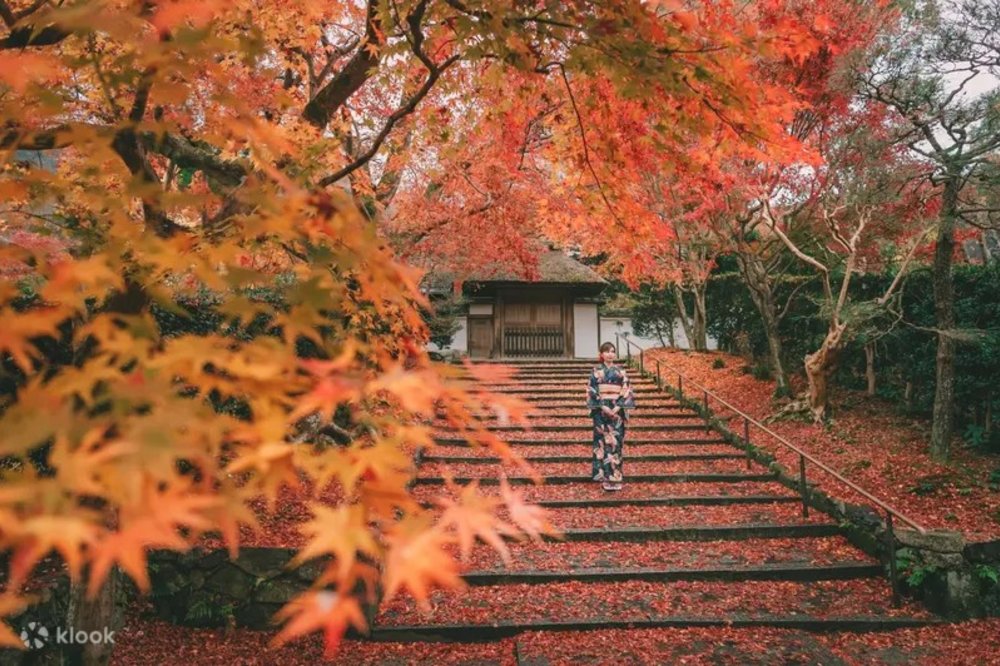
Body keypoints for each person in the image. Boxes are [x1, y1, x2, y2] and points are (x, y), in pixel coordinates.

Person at [586, 342, 636, 491]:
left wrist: (617, 407)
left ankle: (615, 476)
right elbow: (591, 390)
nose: (610, 354)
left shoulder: (621, 372)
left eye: (612, 351)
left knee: (615, 443)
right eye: (606, 351)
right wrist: (603, 405)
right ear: (601, 354)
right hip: (601, 412)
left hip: (616, 412)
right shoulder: (595, 371)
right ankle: (603, 476)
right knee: (601, 443)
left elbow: (627, 390)